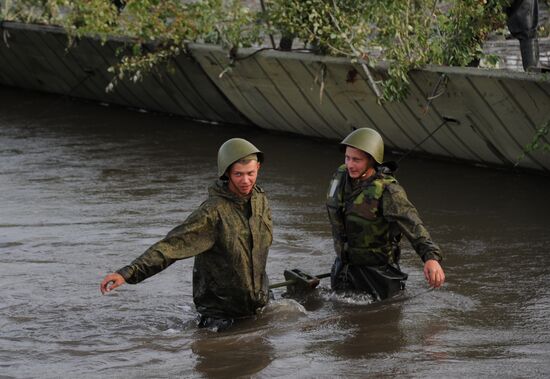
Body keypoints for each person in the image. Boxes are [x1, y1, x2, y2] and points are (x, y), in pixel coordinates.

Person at [100, 138, 273, 331]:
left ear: (258, 167)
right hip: (222, 319)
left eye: (251, 173)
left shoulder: (260, 200)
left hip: (258, 308)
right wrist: (128, 273)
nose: (246, 180)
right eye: (238, 174)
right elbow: (171, 246)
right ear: (227, 173)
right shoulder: (212, 213)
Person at [326, 128, 445, 301]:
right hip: (343, 269)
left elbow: (413, 225)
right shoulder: (341, 176)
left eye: (356, 160)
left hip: (378, 276)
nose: (350, 164)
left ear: (372, 161)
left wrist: (431, 258)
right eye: (347, 158)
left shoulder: (388, 191)